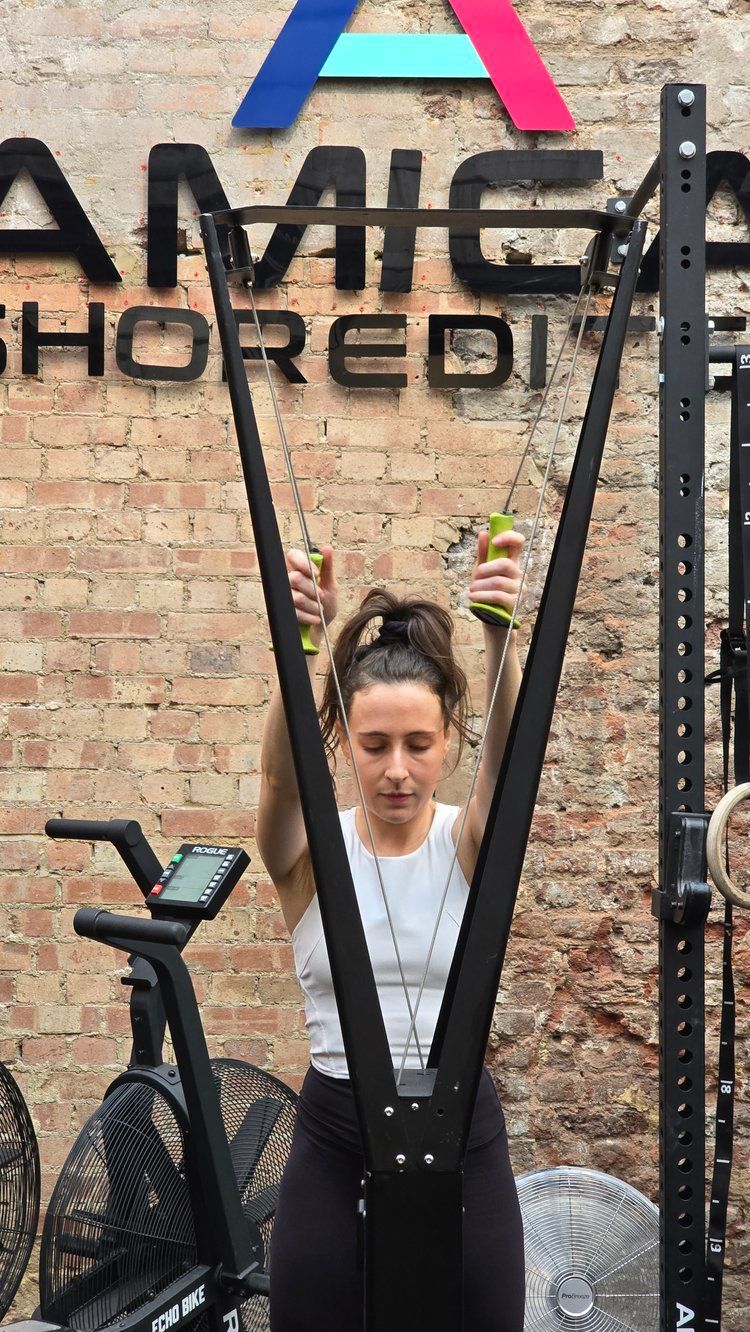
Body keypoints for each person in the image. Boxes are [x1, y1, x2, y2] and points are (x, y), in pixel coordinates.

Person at [258, 526, 527, 1332]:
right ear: (343, 740)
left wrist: (499, 638)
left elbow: (511, 778)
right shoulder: (308, 854)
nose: (398, 770)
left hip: (462, 1130)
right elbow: (278, 779)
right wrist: (298, 647)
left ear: (450, 742)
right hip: (335, 1134)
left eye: (419, 744)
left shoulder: (468, 845)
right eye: (374, 746)